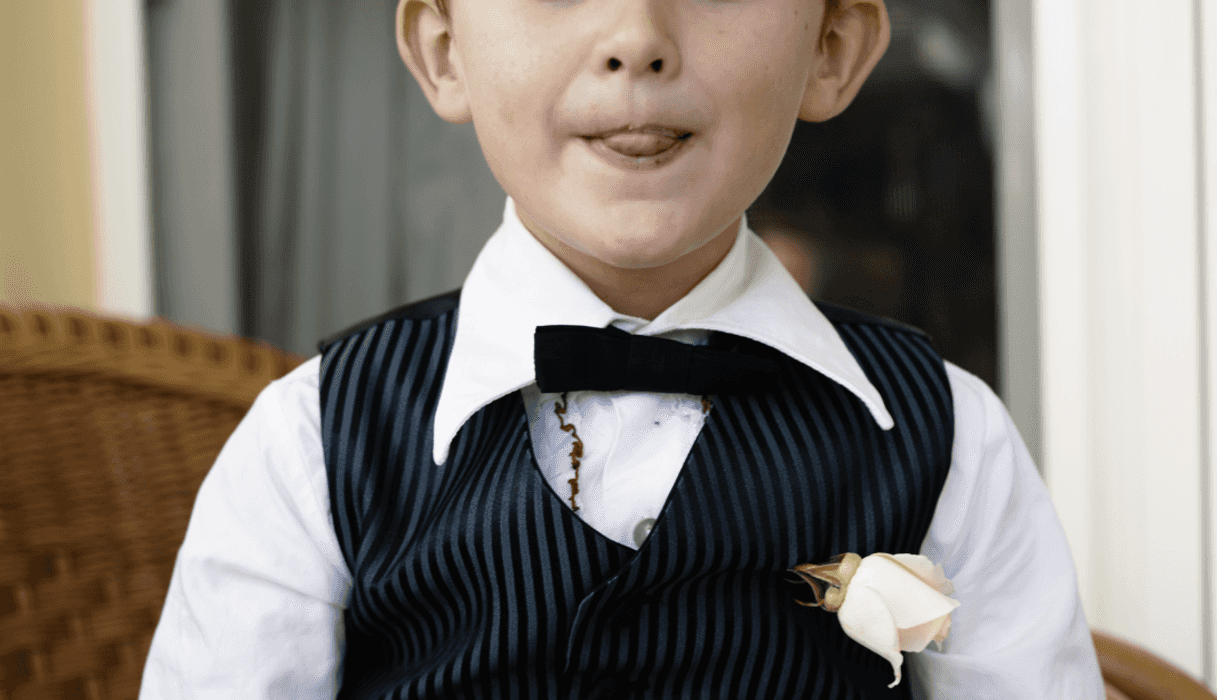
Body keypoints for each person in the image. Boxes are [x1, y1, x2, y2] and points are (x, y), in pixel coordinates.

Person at [139, 0, 1104, 697]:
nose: (636, 38)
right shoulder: (312, 443)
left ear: (832, 46)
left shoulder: (943, 434)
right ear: (444, 53)